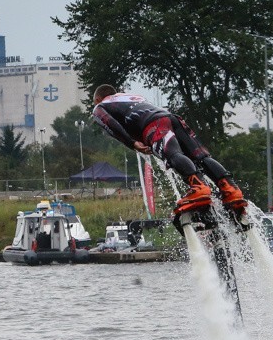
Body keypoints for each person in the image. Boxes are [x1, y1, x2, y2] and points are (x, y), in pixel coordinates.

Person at [91, 85, 247, 231]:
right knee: (200, 157)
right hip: (173, 118)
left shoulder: (100, 106)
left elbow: (111, 124)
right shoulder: (131, 96)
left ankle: (199, 188)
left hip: (153, 124)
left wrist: (133, 143)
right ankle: (231, 190)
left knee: (173, 155)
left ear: (98, 99)